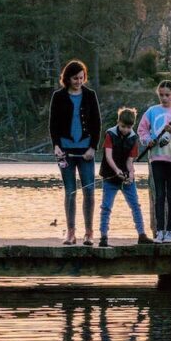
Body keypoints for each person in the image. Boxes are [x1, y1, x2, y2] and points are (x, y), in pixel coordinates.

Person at [49, 59, 101, 245]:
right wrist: (56, 145)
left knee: (89, 191)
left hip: (86, 151)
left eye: (81, 78)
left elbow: (96, 123)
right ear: (67, 78)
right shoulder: (58, 96)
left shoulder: (90, 95)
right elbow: (53, 123)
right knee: (70, 191)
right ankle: (71, 232)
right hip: (65, 151)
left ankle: (89, 232)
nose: (79, 81)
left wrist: (93, 147)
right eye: (75, 78)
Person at [138, 79, 171, 244]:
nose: (164, 98)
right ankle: (159, 230)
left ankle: (170, 231)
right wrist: (148, 141)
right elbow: (142, 130)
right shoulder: (152, 111)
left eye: (167, 95)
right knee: (159, 195)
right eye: (161, 95)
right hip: (156, 158)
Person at [99, 106, 153, 247]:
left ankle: (142, 234)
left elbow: (130, 162)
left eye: (128, 127)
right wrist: (117, 170)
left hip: (126, 178)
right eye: (123, 126)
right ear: (118, 122)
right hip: (110, 176)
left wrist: (131, 174)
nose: (125, 130)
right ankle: (103, 236)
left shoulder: (133, 138)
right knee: (106, 207)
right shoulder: (110, 134)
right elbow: (108, 157)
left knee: (135, 205)